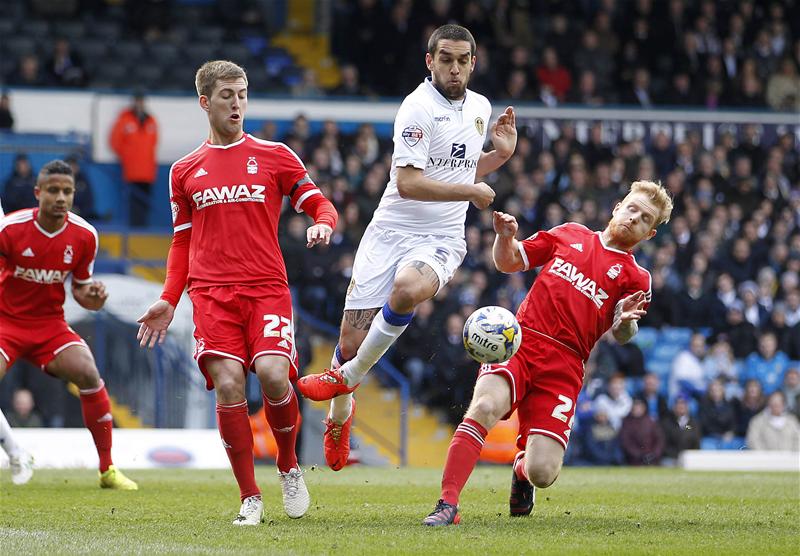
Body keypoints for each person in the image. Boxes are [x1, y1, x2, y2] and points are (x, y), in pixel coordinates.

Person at [296, 24, 517, 473]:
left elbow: (460, 163)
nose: (454, 68)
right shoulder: (415, 108)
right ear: (429, 61)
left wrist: (499, 157)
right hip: (390, 231)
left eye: (462, 60)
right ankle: (341, 415)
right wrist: (472, 191)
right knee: (349, 340)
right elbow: (409, 182)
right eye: (445, 59)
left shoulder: (481, 107)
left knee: (407, 288)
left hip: (440, 239)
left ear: (473, 63)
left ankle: (346, 378)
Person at [136, 60, 337, 526]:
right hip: (211, 294)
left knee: (271, 374)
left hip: (266, 288)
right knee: (229, 384)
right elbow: (181, 240)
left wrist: (323, 223)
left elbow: (318, 201)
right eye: (227, 94)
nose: (237, 103)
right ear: (205, 102)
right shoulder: (184, 170)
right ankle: (250, 497)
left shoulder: (275, 155)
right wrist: (169, 298)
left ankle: (287, 465)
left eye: (243, 93)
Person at [422, 179, 673, 525]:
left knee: (543, 471)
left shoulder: (636, 278)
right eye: (631, 208)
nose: (634, 218)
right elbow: (508, 262)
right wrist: (505, 237)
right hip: (522, 341)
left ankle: (522, 473)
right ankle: (447, 504)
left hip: (566, 365)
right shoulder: (570, 234)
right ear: (618, 207)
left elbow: (623, 332)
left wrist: (627, 322)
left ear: (650, 235)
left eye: (645, 219)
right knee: (483, 407)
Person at [0, 159, 137, 490]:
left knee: (88, 372)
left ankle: (107, 470)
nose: (61, 198)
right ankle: (15, 451)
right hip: (6, 322)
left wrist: (94, 297)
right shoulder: (10, 230)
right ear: (38, 193)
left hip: (49, 325)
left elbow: (80, 289)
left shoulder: (85, 235)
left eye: (67, 191)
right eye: (53, 191)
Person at [109, 91, 158, 227]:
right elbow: (115, 141)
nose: (139, 104)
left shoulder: (151, 121)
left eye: (141, 101)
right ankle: (133, 230)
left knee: (145, 203)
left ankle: (143, 230)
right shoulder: (124, 120)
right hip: (130, 170)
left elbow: (154, 142)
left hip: (148, 171)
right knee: (131, 204)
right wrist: (127, 155)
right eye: (137, 100)